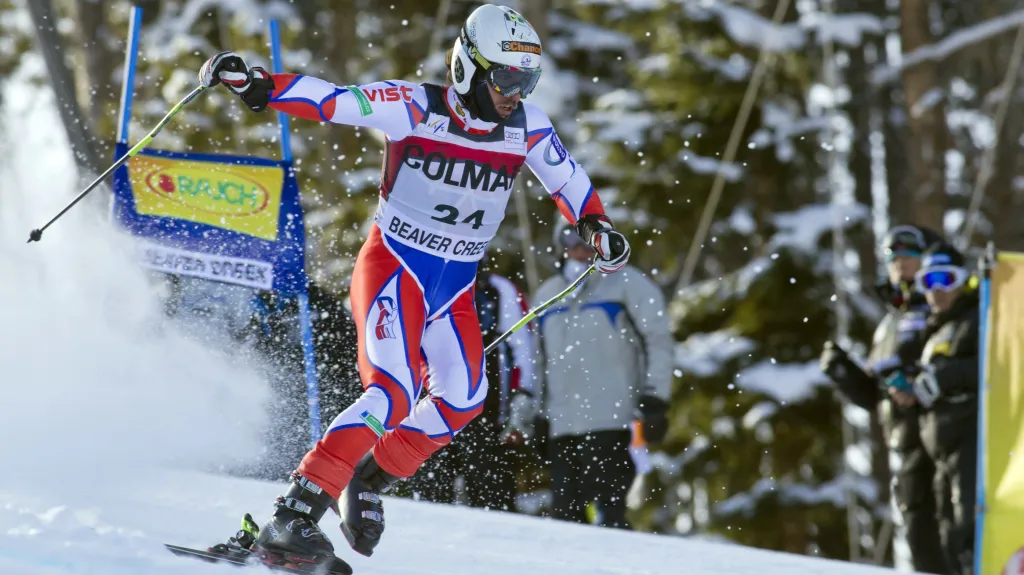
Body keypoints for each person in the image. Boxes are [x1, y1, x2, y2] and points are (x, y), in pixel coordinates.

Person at [197, 4, 631, 573]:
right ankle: (294, 514)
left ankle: (368, 479)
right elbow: (333, 100)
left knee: (463, 397)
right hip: (394, 268)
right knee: (393, 392)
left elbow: (567, 178)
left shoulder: (527, 126)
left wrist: (596, 225)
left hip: (452, 289)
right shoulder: (414, 107)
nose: (515, 93)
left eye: (527, 81)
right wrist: (258, 85)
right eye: (505, 78)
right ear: (469, 69)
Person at [819, 224, 944, 574]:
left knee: (944, 522)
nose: (901, 266)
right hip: (901, 440)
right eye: (894, 259)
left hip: (940, 434)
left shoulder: (939, 307)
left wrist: (916, 381)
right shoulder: (889, 322)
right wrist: (843, 372)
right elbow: (875, 396)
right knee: (916, 523)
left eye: (909, 257)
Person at [532, 225, 671, 529]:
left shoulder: (628, 285)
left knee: (610, 515)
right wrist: (539, 414)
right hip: (562, 425)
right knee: (565, 518)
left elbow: (658, 340)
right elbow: (538, 361)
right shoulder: (547, 294)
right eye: (569, 240)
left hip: (613, 419)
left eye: (588, 241)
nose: (579, 249)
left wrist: (656, 397)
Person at [401, 267, 537, 510]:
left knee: (490, 494)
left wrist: (523, 394)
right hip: (431, 403)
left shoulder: (498, 287)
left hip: (484, 407)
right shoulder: (424, 277)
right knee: (431, 493)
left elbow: (521, 348)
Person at [909, 242, 979, 575]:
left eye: (945, 279)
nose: (936, 290)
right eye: (928, 281)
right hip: (939, 445)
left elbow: (1000, 367)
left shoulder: (979, 314)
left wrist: (946, 376)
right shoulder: (933, 328)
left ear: (963, 280)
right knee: (947, 536)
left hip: (973, 438)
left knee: (970, 530)